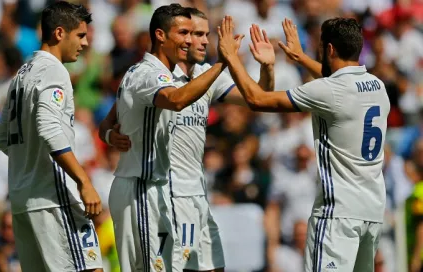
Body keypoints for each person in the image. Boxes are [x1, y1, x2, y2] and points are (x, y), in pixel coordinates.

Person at [100, 7, 274, 272]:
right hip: (157, 191)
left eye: (204, 34)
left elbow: (259, 97)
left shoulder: (203, 75)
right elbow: (175, 100)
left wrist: (267, 66)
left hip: (193, 192)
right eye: (190, 33)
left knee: (212, 266)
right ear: (163, 36)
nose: (199, 40)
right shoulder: (150, 75)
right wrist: (224, 61)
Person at [218, 16, 390, 271]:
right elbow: (335, 84)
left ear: (329, 49)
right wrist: (299, 57)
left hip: (338, 215)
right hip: (372, 212)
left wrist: (231, 57)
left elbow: (256, 99)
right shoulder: (377, 86)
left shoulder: (328, 91)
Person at [0, 2, 106, 271]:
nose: (86, 42)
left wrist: (30, 161)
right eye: (80, 35)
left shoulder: (21, 75)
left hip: (23, 200)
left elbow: (2, 138)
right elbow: (48, 126)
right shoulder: (54, 70)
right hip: (54, 197)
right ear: (59, 33)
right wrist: (83, 181)